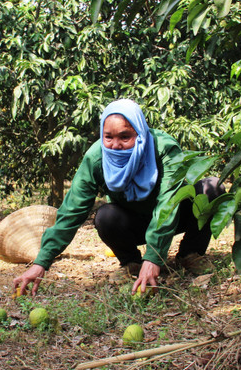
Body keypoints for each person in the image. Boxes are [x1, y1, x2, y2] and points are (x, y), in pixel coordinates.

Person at [12, 99, 224, 297]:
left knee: (212, 188)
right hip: (132, 224)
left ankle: (190, 254)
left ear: (140, 132)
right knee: (106, 216)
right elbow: (72, 210)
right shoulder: (96, 158)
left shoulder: (164, 148)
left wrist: (154, 257)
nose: (115, 145)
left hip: (174, 216)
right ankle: (131, 263)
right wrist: (41, 262)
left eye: (125, 137)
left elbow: (169, 201)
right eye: (108, 137)